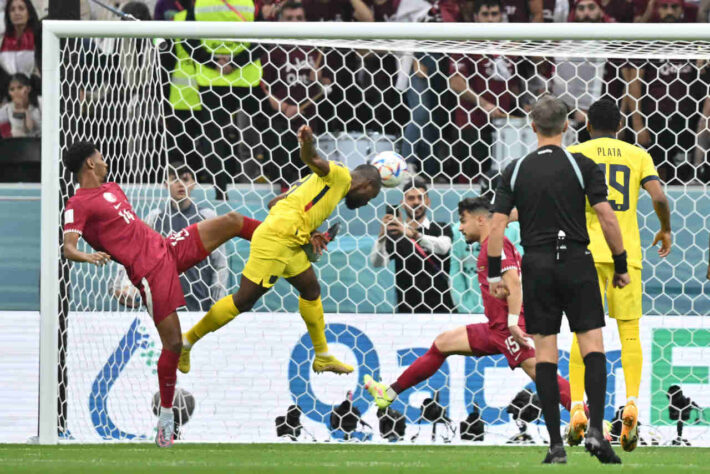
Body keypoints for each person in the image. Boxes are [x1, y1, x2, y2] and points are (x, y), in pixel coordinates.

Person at [61, 141, 263, 447]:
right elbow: (68, 246)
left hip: (167, 246)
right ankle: (167, 418)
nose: (105, 162)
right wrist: (86, 256)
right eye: (100, 158)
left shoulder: (113, 188)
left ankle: (289, 239)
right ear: (89, 164)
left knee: (233, 221)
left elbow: (128, 233)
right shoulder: (77, 204)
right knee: (172, 343)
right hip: (150, 273)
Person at [487, 95, 628, 464]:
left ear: (532, 126)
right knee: (593, 346)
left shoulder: (515, 169)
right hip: (578, 261)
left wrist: (490, 274)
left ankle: (555, 445)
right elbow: (607, 217)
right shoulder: (581, 163)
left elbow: (497, 225)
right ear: (567, 126)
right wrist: (621, 263)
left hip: (538, 264)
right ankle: (596, 430)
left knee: (545, 353)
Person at [178, 124, 382, 376]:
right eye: (371, 197)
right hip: (278, 240)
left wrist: (308, 230)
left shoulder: (322, 186)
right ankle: (186, 341)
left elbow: (274, 202)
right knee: (244, 300)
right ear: (368, 185)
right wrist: (307, 142)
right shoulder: (341, 175)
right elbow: (313, 158)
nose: (367, 203)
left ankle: (322, 356)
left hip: (290, 241)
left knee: (311, 289)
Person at [364, 197, 574, 417]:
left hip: (510, 328)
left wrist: (513, 323)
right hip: (495, 327)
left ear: (481, 220)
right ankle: (389, 393)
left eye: (463, 221)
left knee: (543, 376)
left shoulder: (496, 244)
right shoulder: (489, 245)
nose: (460, 227)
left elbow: (513, 282)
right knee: (442, 343)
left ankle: (590, 420)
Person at [565, 99, 672, 452]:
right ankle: (631, 403)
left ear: (589, 125)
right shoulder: (637, 155)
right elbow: (659, 195)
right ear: (620, 124)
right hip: (626, 253)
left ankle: (578, 406)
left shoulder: (576, 151)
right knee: (629, 331)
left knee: (585, 331)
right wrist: (665, 228)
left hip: (583, 253)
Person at [112, 163, 230, 312]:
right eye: (174, 179)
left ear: (193, 184)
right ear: (166, 185)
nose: (180, 183)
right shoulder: (155, 219)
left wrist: (217, 304)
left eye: (185, 179)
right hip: (163, 308)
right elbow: (135, 254)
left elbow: (220, 264)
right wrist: (121, 285)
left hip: (200, 306)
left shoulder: (207, 217)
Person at [260, 1, 332, 188]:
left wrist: (321, 81)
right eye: (290, 18)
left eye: (299, 18)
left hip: (310, 119)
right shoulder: (272, 50)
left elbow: (324, 81)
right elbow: (265, 87)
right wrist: (285, 107)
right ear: (280, 20)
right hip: (282, 123)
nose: (295, 22)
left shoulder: (314, 48)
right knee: (285, 172)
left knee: (309, 171)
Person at [448, 0, 521, 183]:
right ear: (476, 17)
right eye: (485, 15)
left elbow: (512, 85)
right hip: (471, 123)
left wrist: (521, 103)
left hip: (503, 125)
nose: (490, 20)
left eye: (494, 15)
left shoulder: (509, 47)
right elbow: (455, 82)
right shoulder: (465, 42)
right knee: (472, 179)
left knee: (500, 179)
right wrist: (485, 104)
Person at [369, 176, 455, 313]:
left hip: (442, 308)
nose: (416, 202)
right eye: (411, 198)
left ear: (428, 202)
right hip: (408, 310)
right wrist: (382, 237)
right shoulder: (396, 234)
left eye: (420, 198)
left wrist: (413, 234)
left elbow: (443, 248)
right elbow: (377, 263)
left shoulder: (441, 228)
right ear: (403, 203)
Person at [0, 72, 39, 137]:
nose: (16, 92)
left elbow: (30, 129)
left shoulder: (40, 102)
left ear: (28, 88)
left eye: (20, 87)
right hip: (19, 143)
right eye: (12, 89)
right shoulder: (8, 108)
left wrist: (26, 112)